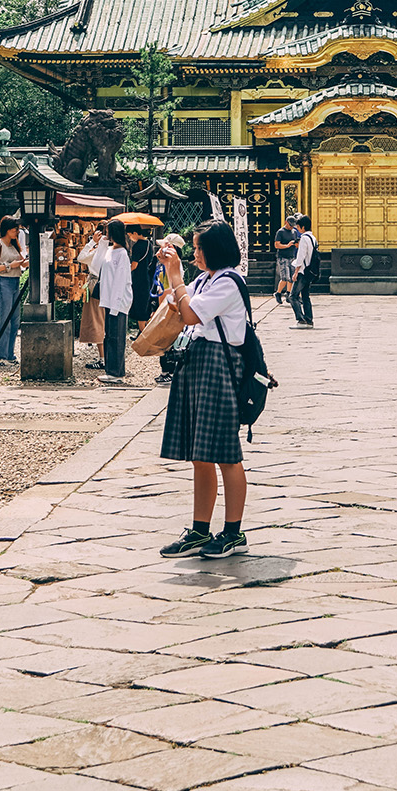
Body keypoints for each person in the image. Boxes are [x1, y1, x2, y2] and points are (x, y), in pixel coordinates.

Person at [158, 219, 250, 560]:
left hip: (219, 365)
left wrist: (178, 279)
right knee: (199, 453)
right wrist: (173, 276)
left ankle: (233, 531)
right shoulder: (205, 279)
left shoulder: (229, 282)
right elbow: (175, 304)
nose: (194, 253)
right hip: (196, 361)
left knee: (226, 453)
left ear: (213, 250)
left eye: (198, 248)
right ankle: (199, 528)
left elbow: (191, 314)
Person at [0, 217, 28, 363]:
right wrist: (9, 266)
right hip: (3, 282)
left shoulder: (14, 245)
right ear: (7, 229)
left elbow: (20, 263)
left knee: (15, 321)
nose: (17, 231)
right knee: (3, 320)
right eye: (15, 229)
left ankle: (9, 354)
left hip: (15, 281)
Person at [98, 219, 132, 383]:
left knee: (116, 337)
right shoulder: (110, 250)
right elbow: (96, 266)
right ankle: (111, 370)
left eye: (107, 231)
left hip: (117, 301)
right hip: (108, 299)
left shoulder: (123, 254)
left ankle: (116, 372)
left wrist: (116, 306)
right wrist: (102, 244)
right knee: (109, 336)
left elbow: (120, 281)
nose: (105, 234)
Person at [151, 233, 187, 385]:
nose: (160, 250)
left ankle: (168, 372)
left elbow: (165, 290)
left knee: (167, 340)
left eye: (163, 246)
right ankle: (167, 371)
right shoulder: (171, 264)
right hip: (168, 305)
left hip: (168, 306)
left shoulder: (170, 266)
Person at [76, 221, 108, 370]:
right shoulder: (114, 250)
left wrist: (91, 242)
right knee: (106, 322)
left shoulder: (97, 251)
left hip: (95, 286)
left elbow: (81, 258)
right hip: (109, 288)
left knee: (97, 321)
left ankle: (103, 359)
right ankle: (108, 357)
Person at [290, 214, 317, 328]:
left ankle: (301, 320)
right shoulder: (313, 238)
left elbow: (301, 257)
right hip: (310, 271)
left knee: (293, 296)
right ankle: (309, 319)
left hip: (302, 271)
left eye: (298, 227)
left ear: (303, 227)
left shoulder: (304, 239)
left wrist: (296, 272)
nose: (297, 229)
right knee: (305, 296)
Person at [129, 226, 154, 331]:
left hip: (138, 279)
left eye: (130, 234)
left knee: (139, 306)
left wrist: (124, 272)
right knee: (144, 305)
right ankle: (143, 332)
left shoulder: (137, 246)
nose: (129, 237)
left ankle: (143, 333)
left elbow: (134, 265)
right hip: (146, 277)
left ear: (135, 233)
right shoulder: (149, 244)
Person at [273, 214, 300, 304]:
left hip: (292, 256)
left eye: (293, 225)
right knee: (285, 277)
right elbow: (277, 245)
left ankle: (289, 294)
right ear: (286, 222)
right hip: (283, 257)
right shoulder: (280, 232)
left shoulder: (294, 232)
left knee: (292, 277)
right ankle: (278, 293)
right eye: (290, 225)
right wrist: (287, 245)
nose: (291, 227)